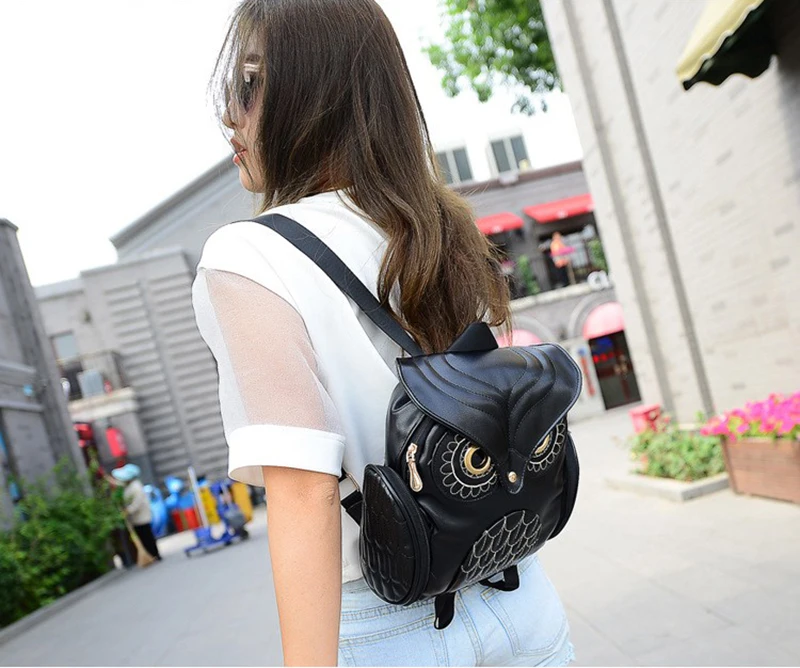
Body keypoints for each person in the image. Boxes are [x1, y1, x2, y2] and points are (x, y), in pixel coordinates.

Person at [192, 1, 574, 665]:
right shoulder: (442, 227)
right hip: (519, 594)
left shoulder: (249, 256)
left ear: (314, 97)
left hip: (387, 624)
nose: (231, 113)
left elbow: (304, 491)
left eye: (250, 84)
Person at [111, 464, 161, 562]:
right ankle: (151, 555)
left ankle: (155, 554)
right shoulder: (129, 485)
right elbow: (119, 484)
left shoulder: (136, 486)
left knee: (147, 536)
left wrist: (128, 511)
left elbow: (137, 503)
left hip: (141, 517)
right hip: (136, 518)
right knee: (143, 537)